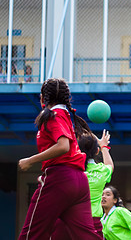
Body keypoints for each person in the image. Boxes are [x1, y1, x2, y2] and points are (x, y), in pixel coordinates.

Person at [17, 78, 101, 239]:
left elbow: (63, 146)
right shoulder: (66, 115)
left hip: (60, 179)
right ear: (66, 97)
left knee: (32, 234)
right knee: (88, 236)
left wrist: (30, 160)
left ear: (43, 98)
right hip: (79, 181)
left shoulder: (53, 115)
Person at [51, 130, 114, 239]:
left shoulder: (68, 169)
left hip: (65, 221)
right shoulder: (102, 171)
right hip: (91, 222)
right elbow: (110, 165)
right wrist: (103, 146)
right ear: (97, 151)